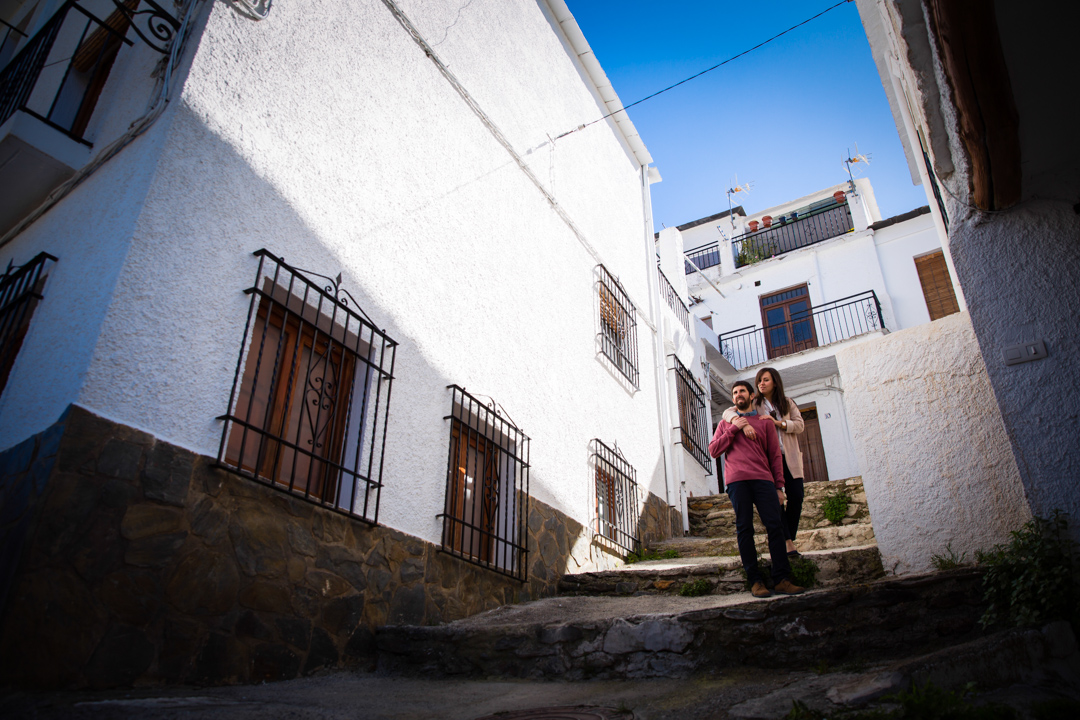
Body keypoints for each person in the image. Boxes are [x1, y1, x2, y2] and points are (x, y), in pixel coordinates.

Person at [709, 381, 804, 598]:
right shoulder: (727, 424)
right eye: (735, 393)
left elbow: (774, 457)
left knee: (775, 527)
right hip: (737, 482)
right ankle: (755, 581)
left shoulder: (765, 423)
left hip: (763, 480)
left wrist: (779, 487)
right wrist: (735, 427)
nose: (738, 395)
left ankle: (782, 579)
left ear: (752, 396)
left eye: (742, 391)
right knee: (745, 529)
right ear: (733, 399)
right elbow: (714, 450)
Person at [723, 368, 806, 557]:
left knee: (797, 496)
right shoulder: (756, 403)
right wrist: (740, 422)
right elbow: (728, 411)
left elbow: (800, 425)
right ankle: (787, 543)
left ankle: (788, 536)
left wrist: (777, 423)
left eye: (766, 380)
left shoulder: (787, 403)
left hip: (789, 457)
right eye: (759, 380)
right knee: (776, 501)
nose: (761, 383)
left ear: (775, 382)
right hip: (767, 460)